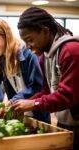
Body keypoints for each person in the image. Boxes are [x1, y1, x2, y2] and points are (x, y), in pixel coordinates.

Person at [11, 7, 79, 149]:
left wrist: (34, 104)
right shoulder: (44, 57)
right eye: (25, 42)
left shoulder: (71, 51)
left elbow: (67, 96)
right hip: (65, 122)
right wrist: (22, 103)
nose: (28, 47)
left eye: (30, 40)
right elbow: (47, 92)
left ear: (45, 31)